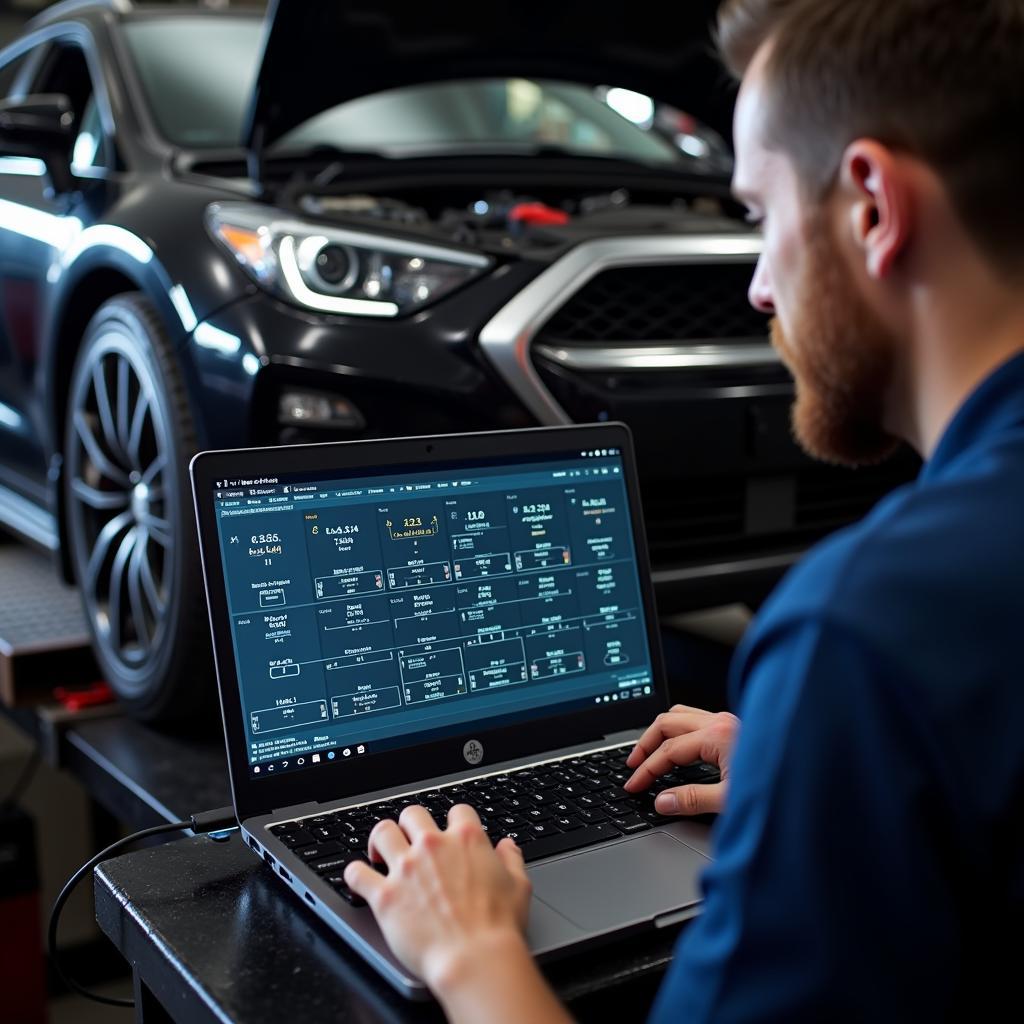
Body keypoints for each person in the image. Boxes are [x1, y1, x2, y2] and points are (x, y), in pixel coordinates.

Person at [343, 1, 1024, 1018]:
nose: (756, 285)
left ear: (873, 207)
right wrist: (830, 769)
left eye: (755, 213)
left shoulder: (861, 635)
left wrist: (469, 952)